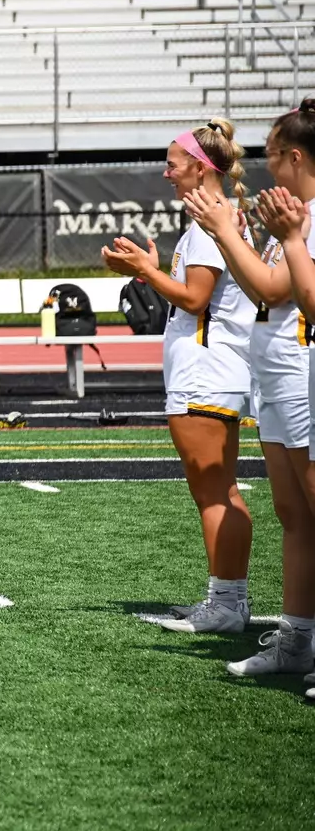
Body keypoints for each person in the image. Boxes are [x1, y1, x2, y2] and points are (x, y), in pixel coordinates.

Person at [102, 119, 254, 633]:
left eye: (172, 162)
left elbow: (194, 299)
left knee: (215, 491)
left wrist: (145, 272)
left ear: (200, 166)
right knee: (217, 490)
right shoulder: (215, 220)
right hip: (210, 368)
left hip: (206, 371)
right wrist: (149, 266)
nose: (166, 172)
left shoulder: (211, 223)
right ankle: (225, 600)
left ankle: (227, 605)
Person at [185, 104, 315, 679]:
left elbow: (275, 288)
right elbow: (261, 293)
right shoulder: (292, 214)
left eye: (270, 148)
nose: (261, 159)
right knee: (293, 514)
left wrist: (223, 232)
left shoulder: (305, 218)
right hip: (278, 377)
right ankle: (297, 640)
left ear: (296, 156)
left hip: (300, 374)